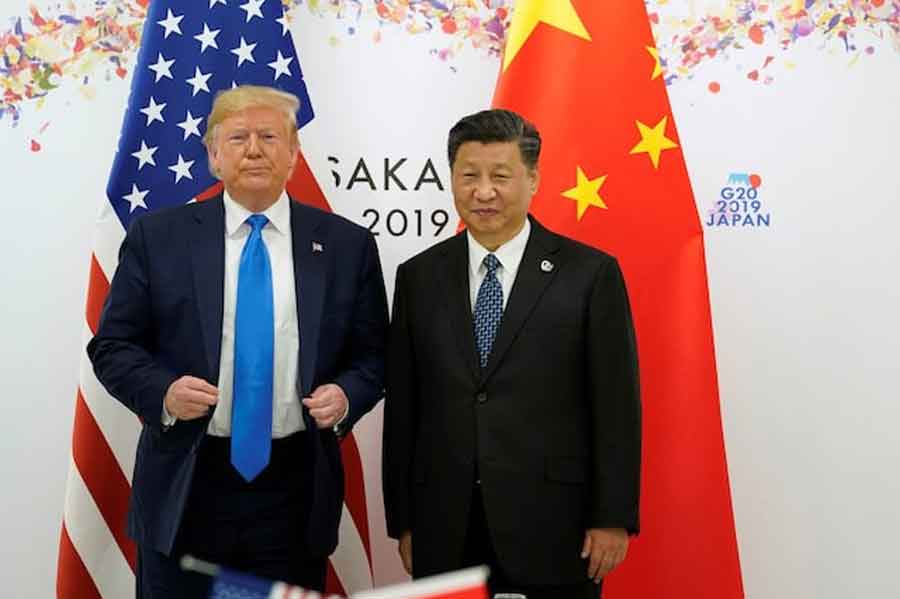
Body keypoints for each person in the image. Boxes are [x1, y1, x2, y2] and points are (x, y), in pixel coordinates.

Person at [88, 85, 389, 598]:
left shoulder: (345, 245)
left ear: (293, 154)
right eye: (239, 137)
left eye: (270, 137)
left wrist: (346, 397)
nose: (254, 149)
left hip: (293, 489)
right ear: (213, 155)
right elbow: (113, 346)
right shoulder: (157, 237)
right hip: (189, 481)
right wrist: (162, 392)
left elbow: (375, 357)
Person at [382, 109, 641, 598]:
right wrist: (405, 521)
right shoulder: (418, 278)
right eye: (469, 176)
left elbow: (616, 407)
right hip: (445, 526)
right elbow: (405, 410)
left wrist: (612, 517)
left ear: (534, 178)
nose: (483, 192)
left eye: (500, 176)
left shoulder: (590, 275)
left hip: (555, 527)